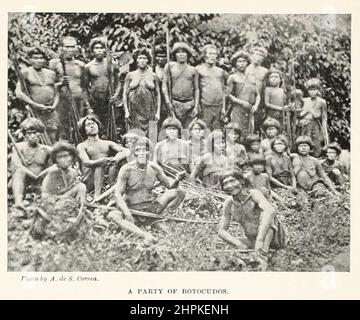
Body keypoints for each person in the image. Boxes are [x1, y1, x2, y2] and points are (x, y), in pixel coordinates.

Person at [110, 137, 186, 244]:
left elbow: (170, 186)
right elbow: (117, 193)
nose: (141, 153)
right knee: (113, 216)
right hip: (133, 210)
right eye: (138, 150)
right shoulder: (126, 170)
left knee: (179, 191)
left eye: (144, 150)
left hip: (151, 208)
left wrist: (177, 179)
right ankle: (145, 235)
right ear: (134, 153)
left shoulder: (154, 167)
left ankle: (160, 218)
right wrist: (127, 213)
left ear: (149, 152)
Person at [218, 171, 286, 271]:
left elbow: (270, 211)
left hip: (273, 237)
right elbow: (221, 230)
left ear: (241, 181)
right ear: (223, 188)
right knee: (218, 242)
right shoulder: (229, 203)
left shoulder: (254, 194)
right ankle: (253, 253)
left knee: (266, 216)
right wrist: (238, 243)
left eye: (232, 181)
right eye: (225, 183)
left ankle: (261, 257)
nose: (230, 186)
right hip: (252, 240)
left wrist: (260, 240)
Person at [31, 141, 87, 239]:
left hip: (64, 202)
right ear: (55, 160)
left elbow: (69, 189)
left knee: (81, 187)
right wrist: (66, 198)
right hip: (51, 204)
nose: (64, 160)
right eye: (60, 157)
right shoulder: (54, 172)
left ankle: (79, 213)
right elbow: (47, 196)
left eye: (66, 156)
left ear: (72, 157)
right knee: (81, 187)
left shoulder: (72, 172)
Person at [76, 115, 130, 198]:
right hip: (90, 178)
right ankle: (97, 196)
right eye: (88, 125)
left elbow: (127, 151)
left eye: (93, 123)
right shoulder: (82, 146)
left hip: (107, 175)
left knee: (122, 157)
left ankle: (117, 188)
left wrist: (116, 159)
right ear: (84, 130)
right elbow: (86, 162)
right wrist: (101, 161)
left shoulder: (107, 143)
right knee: (99, 165)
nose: (92, 126)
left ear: (98, 125)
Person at [49, 35, 91, 140]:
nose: (70, 49)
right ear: (61, 48)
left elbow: (84, 87)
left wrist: (87, 105)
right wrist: (61, 83)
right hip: (62, 101)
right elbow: (50, 85)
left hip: (78, 101)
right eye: (67, 46)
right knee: (62, 128)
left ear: (76, 48)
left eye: (72, 47)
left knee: (78, 126)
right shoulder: (55, 64)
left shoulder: (81, 65)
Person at [15, 47, 60, 144]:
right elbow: (18, 93)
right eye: (35, 58)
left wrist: (54, 105)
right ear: (29, 59)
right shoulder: (25, 73)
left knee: (52, 137)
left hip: (51, 112)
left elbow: (56, 91)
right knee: (37, 137)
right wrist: (35, 105)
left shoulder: (51, 73)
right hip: (35, 112)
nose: (39, 60)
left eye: (41, 58)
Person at [10, 118, 52, 215]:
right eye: (29, 133)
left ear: (40, 133)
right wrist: (30, 174)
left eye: (35, 132)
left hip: (40, 180)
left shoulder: (47, 150)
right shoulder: (18, 147)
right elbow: (16, 164)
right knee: (19, 171)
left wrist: (42, 174)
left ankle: (45, 200)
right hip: (23, 180)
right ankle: (18, 202)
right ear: (24, 135)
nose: (32, 136)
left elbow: (56, 165)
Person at [84, 37, 122, 134]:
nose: (99, 50)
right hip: (95, 101)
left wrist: (116, 95)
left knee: (111, 126)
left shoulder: (112, 64)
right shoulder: (88, 67)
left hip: (109, 100)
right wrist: (88, 106)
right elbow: (84, 87)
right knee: (97, 125)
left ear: (105, 50)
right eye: (96, 48)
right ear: (92, 51)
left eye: (101, 48)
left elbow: (119, 82)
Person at [123, 48, 161, 136]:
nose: (142, 61)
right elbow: (125, 94)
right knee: (134, 135)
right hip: (134, 110)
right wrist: (126, 111)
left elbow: (158, 95)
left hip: (150, 110)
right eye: (140, 58)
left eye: (145, 58)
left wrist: (158, 112)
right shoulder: (130, 75)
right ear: (136, 60)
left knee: (151, 136)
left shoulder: (154, 76)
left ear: (148, 60)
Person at [162, 42, 199, 130]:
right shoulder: (170, 66)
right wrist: (168, 102)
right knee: (173, 129)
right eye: (178, 52)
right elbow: (164, 85)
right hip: (174, 103)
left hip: (189, 104)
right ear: (175, 54)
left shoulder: (193, 70)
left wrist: (196, 106)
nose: (181, 54)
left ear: (188, 54)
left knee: (188, 130)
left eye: (184, 52)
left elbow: (197, 89)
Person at [227, 50, 260, 137]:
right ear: (235, 64)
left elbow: (258, 94)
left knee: (249, 131)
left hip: (250, 109)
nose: (242, 64)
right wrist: (242, 102)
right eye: (239, 61)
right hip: (237, 109)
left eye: (244, 61)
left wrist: (256, 105)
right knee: (236, 131)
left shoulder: (252, 77)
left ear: (247, 63)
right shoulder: (232, 77)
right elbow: (228, 94)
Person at [196, 44, 228, 130]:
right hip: (205, 106)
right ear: (205, 55)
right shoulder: (198, 69)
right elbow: (196, 89)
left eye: (214, 54)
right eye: (210, 53)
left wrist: (224, 108)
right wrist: (197, 106)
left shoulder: (220, 71)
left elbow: (223, 89)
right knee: (205, 130)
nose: (212, 56)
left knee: (217, 131)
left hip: (218, 106)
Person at [297, 78, 329, 157]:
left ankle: (316, 158)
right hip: (304, 124)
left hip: (315, 124)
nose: (312, 92)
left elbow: (324, 117)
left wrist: (324, 131)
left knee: (316, 142)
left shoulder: (322, 102)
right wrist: (307, 112)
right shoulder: (304, 100)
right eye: (310, 90)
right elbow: (298, 114)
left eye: (314, 89)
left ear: (318, 90)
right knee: (304, 141)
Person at [246, 46, 269, 132]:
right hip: (246, 99)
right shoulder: (245, 68)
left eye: (261, 55)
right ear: (251, 55)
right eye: (257, 54)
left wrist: (262, 105)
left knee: (256, 126)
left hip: (259, 102)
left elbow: (265, 88)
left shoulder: (265, 71)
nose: (259, 57)